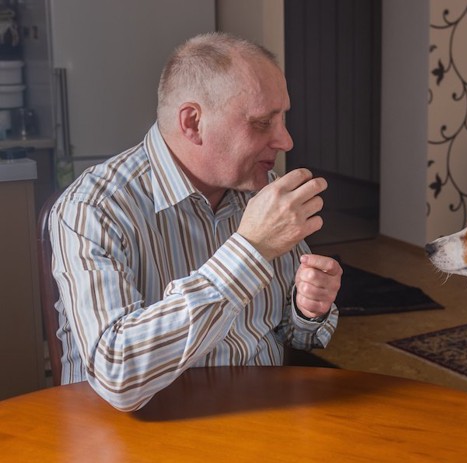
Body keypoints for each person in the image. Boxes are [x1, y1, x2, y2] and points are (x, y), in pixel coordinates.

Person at [48, 32, 342, 411]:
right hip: (132, 437)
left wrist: (307, 308)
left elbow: (295, 336)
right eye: (261, 123)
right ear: (192, 122)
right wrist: (249, 251)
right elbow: (118, 375)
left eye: (283, 118)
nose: (285, 140)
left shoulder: (261, 192)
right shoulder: (94, 208)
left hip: (258, 420)